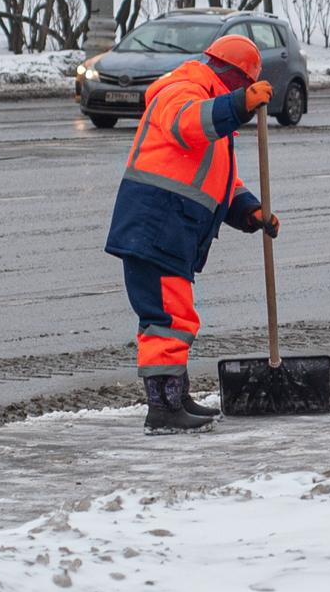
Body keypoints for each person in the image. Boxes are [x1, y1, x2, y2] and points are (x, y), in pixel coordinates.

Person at [105, 35, 280, 434]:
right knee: (167, 318)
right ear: (234, 78)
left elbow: (220, 179)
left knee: (174, 315)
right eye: (243, 88)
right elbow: (188, 126)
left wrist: (250, 210)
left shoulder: (209, 106)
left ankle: (175, 398)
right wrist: (238, 106)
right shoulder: (182, 90)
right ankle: (164, 409)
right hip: (156, 226)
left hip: (169, 228)